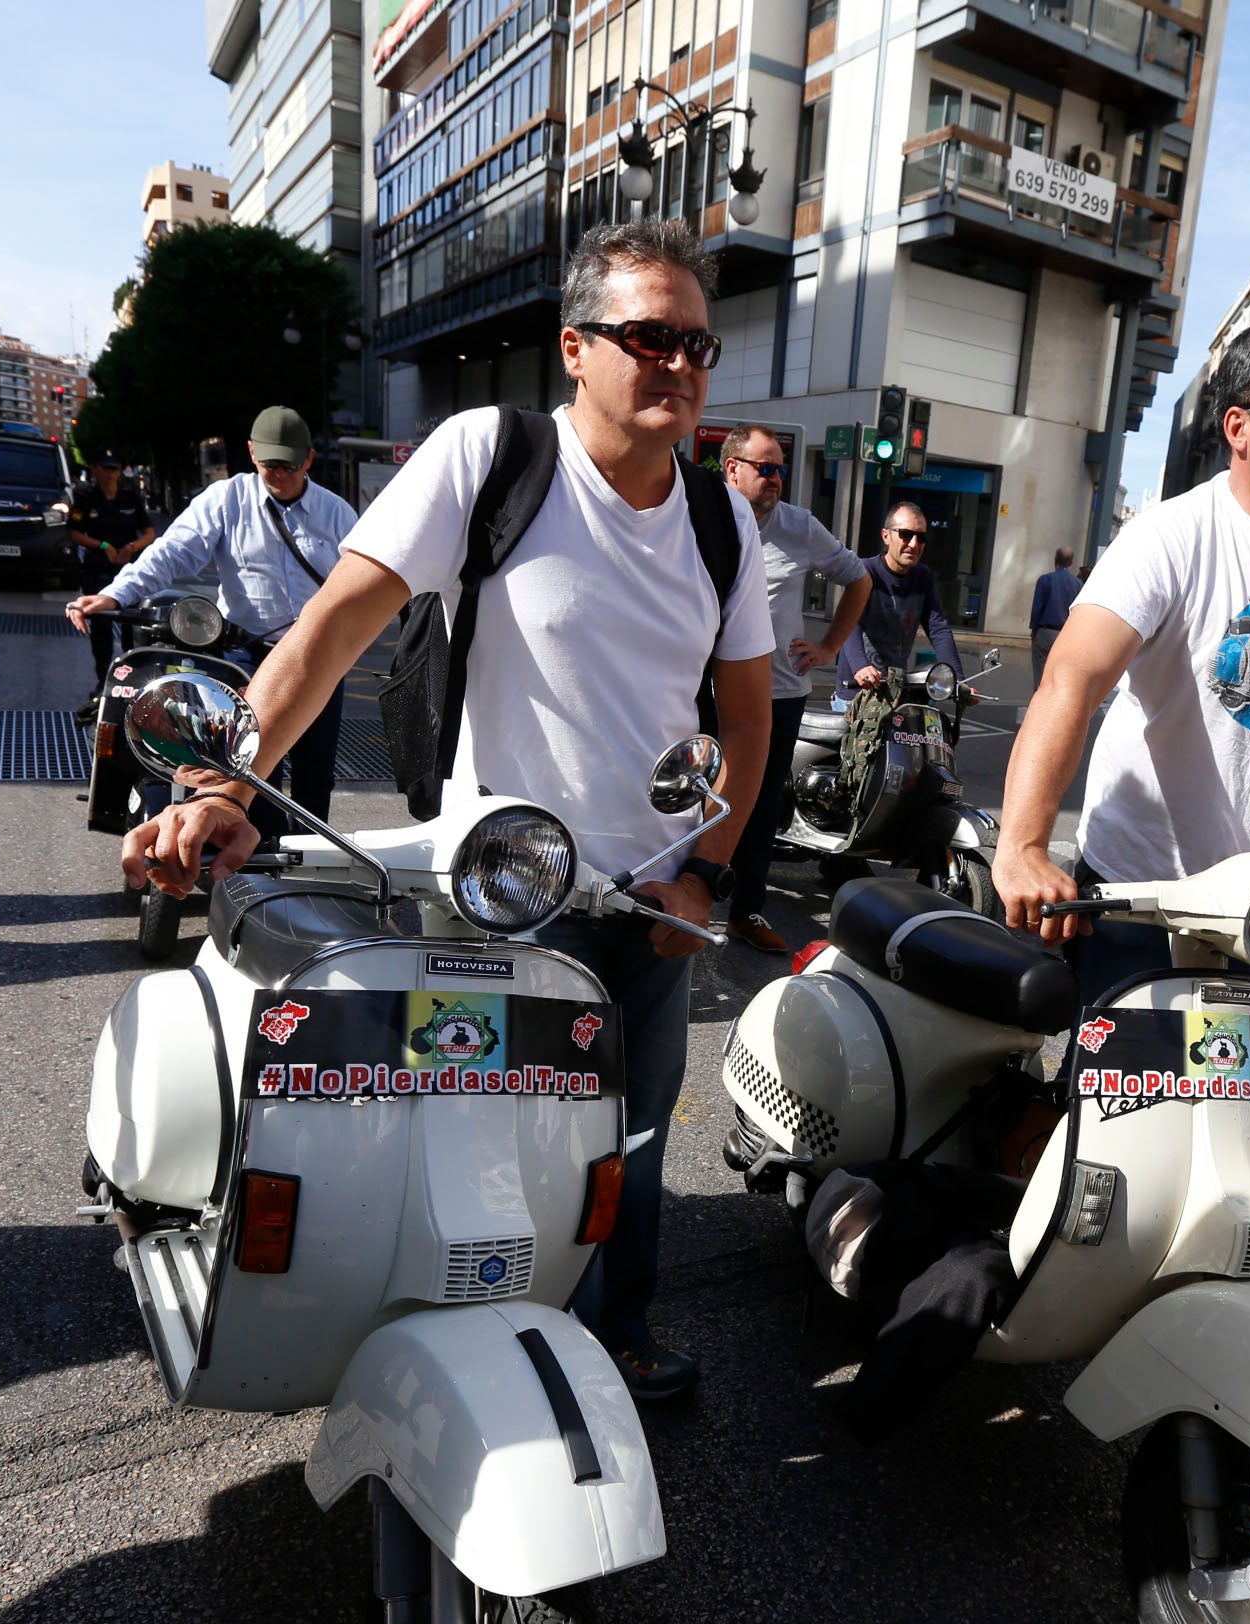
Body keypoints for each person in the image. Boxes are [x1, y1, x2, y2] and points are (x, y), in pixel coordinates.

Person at [119, 219, 774, 1402]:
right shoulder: (495, 457)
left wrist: (703, 876)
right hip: (506, 892)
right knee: (495, 1146)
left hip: (652, 903)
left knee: (628, 1146)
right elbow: (328, 637)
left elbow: (747, 720)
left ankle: (614, 1335)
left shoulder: (724, 522)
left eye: (696, 343)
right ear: (576, 348)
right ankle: (470, 1349)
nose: (678, 362)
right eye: (649, 337)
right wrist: (225, 779)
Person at [990, 312, 1250, 995]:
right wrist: (1021, 847)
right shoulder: (1169, 537)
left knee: (1242, 1096)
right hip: (1139, 891)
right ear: (1239, 427)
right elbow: (1070, 682)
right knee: (1111, 1090)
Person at [66, 406, 355, 838]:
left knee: (316, 774)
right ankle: (259, 871)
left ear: (309, 460)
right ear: (252, 453)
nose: (278, 474)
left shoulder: (336, 514)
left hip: (319, 659)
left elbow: (364, 578)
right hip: (248, 659)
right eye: (269, 464)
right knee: (254, 771)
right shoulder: (227, 499)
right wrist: (115, 594)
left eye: (289, 466)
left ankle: (314, 870)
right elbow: (172, 552)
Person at [718, 422, 870, 952]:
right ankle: (673, 895)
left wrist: (829, 647)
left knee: (758, 801)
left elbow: (859, 578)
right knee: (686, 793)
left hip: (777, 693)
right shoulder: (698, 515)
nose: (776, 477)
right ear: (731, 468)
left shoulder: (799, 527)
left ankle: (746, 911)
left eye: (780, 468)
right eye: (766, 467)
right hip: (701, 687)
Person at [839, 500, 961, 693]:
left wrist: (959, 681)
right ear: (886, 536)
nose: (913, 544)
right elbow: (849, 623)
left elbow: (939, 629)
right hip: (857, 694)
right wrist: (860, 667)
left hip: (895, 691)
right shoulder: (865, 571)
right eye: (905, 535)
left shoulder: (923, 577)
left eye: (921, 537)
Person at [66, 447, 160, 689]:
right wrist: (103, 545)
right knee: (101, 629)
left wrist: (132, 546)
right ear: (96, 470)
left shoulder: (131, 497)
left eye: (114, 469)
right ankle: (103, 681)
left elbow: (149, 533)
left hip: (127, 570)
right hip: (97, 569)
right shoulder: (86, 496)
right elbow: (74, 533)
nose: (110, 474)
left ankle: (130, 681)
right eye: (105, 469)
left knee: (134, 630)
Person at [1028, 545, 1080, 684]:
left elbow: (1037, 608)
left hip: (1045, 632)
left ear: (1055, 559)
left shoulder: (1045, 580)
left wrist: (1034, 630)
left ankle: (1039, 701)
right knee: (1060, 678)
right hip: (1065, 635)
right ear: (1071, 562)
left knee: (1040, 674)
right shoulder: (1078, 584)